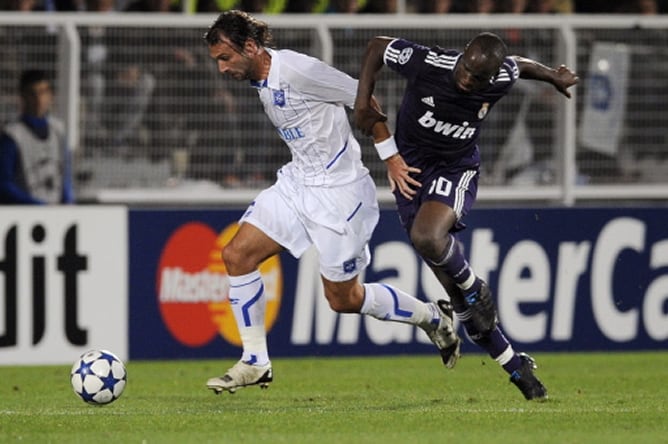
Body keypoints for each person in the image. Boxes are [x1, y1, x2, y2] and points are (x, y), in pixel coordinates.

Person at [202, 10, 461, 394]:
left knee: (344, 299)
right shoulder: (261, 77)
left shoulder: (298, 71)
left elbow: (364, 98)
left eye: (226, 58)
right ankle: (255, 360)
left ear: (252, 47)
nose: (222, 68)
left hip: (340, 194)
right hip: (297, 183)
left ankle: (432, 318)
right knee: (236, 256)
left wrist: (390, 156)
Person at [353, 33, 578, 400]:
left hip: (455, 169)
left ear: (489, 79)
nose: (465, 78)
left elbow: (518, 65)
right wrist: (362, 103)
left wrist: (552, 75)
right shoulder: (430, 64)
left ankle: (476, 286)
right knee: (458, 301)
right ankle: (515, 366)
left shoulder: (498, 78)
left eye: (475, 77)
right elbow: (376, 46)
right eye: (465, 68)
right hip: (411, 171)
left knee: (429, 239)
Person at [0, 69, 74, 204]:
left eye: (43, 92)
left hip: (57, 215)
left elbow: (66, 177)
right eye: (32, 93)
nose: (39, 99)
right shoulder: (12, 136)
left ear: (51, 95)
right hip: (24, 217)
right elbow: (4, 184)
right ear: (23, 96)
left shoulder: (58, 131)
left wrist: (68, 204)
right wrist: (36, 205)